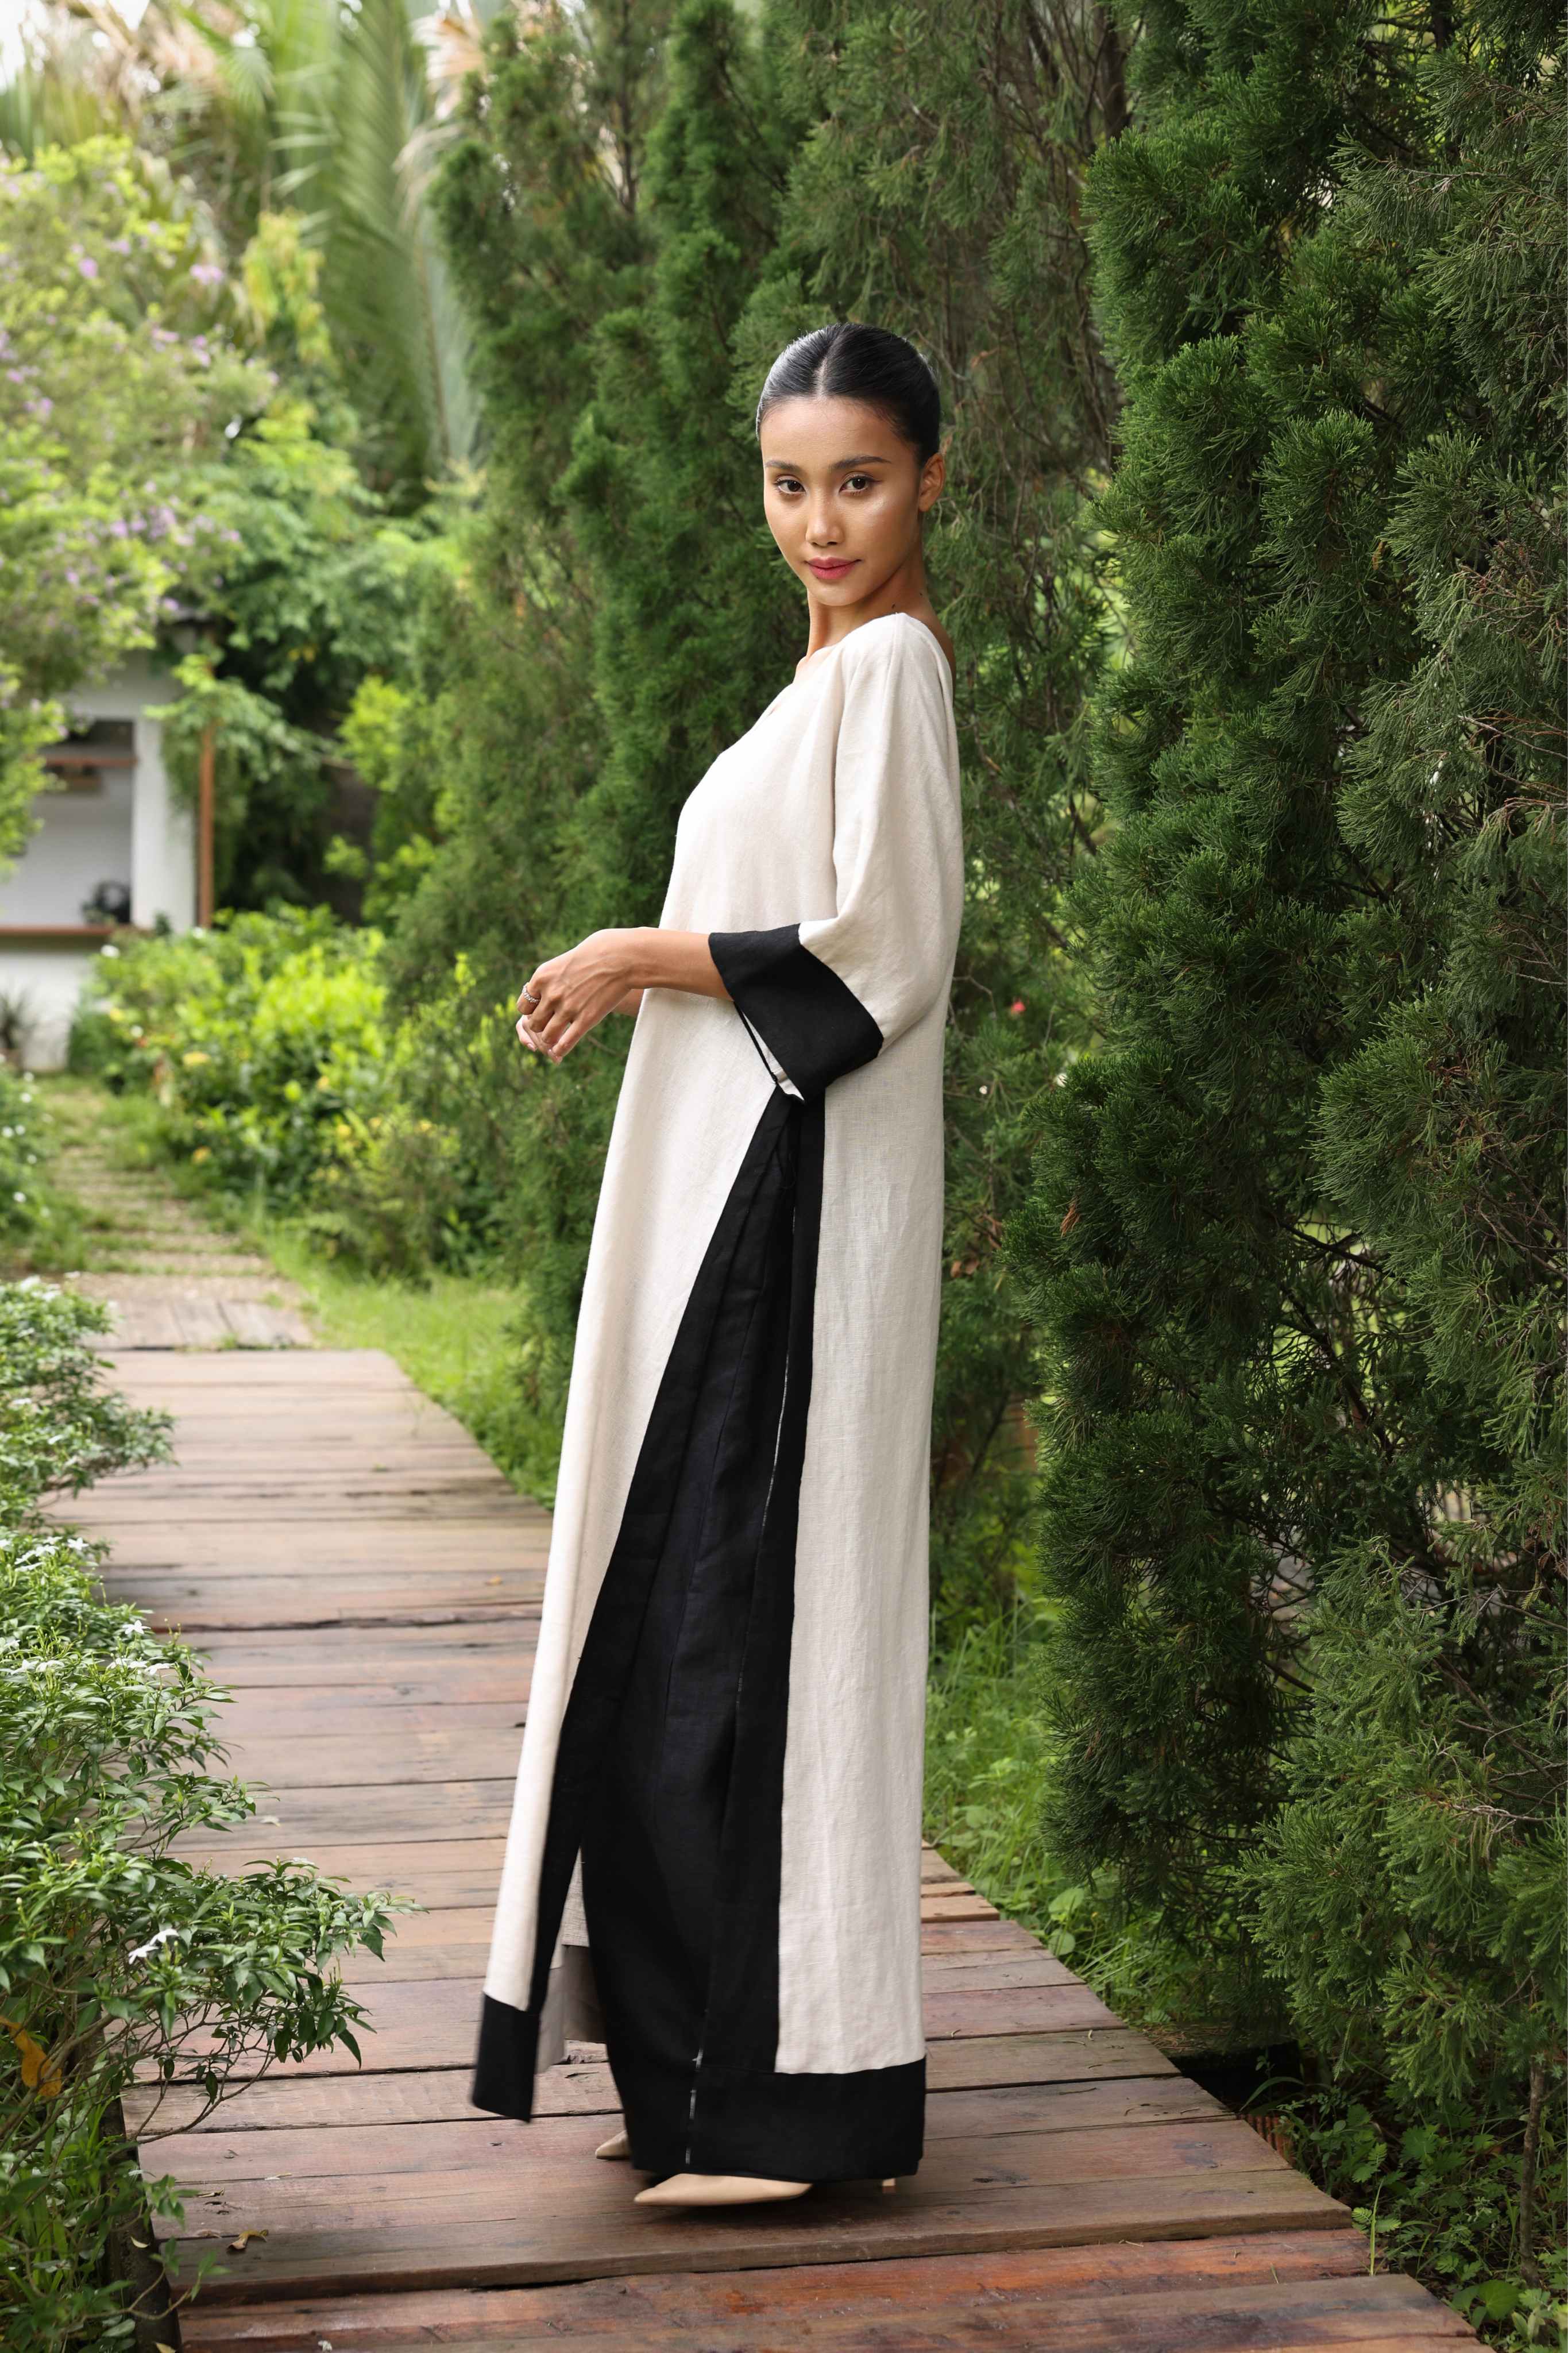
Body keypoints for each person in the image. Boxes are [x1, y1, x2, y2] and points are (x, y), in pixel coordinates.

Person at [472, 319, 963, 2211]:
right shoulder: (818, 680)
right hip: (732, 1212)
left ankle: (776, 2108)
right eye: (787, 482)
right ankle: (693, 2082)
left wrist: (635, 952)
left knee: (730, 1640)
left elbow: (878, 956)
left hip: (796, 1224)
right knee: (676, 1628)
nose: (820, 519)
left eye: (857, 479)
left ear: (930, 478)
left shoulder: (898, 673)